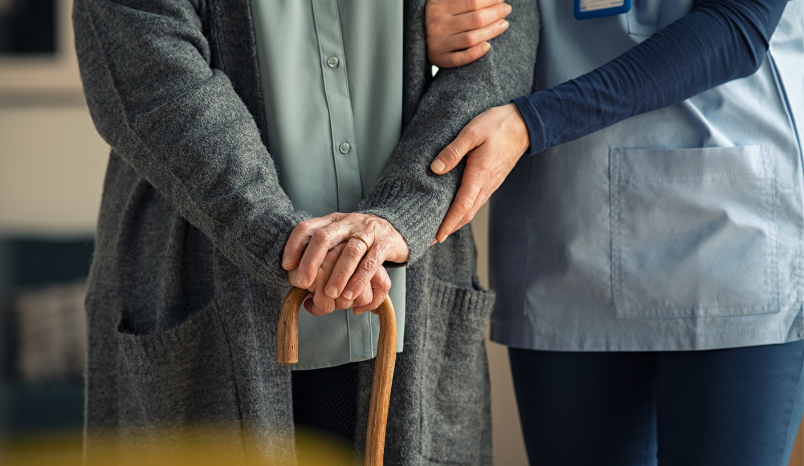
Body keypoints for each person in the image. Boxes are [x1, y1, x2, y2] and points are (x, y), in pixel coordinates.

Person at [73, 0, 537, 463]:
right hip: (206, 290)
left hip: (409, 296)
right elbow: (155, 78)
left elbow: (499, 44)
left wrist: (402, 214)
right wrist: (288, 241)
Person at [426, 0, 804, 465]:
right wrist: (431, 31)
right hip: (564, 229)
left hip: (727, 240)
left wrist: (534, 121)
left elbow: (737, 28)